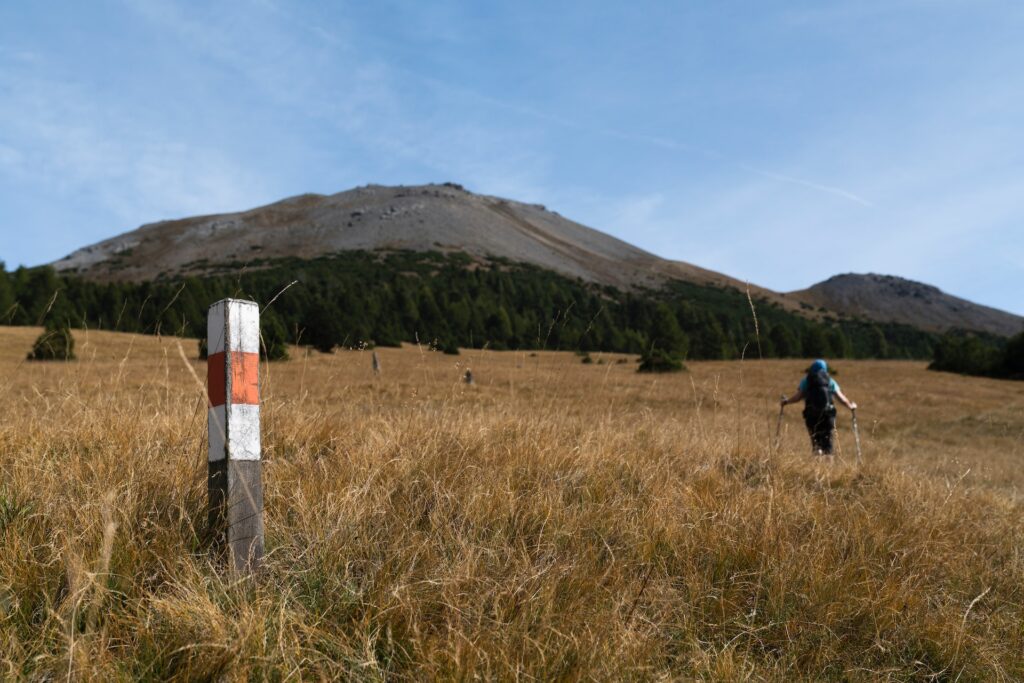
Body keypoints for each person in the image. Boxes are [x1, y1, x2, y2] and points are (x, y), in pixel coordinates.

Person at [781, 359, 857, 455]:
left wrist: (786, 402)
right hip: (827, 416)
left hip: (811, 415)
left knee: (816, 443)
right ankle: (828, 466)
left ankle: (817, 466)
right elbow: (841, 398)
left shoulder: (806, 380)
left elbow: (798, 397)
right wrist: (851, 406)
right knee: (828, 444)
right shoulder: (830, 380)